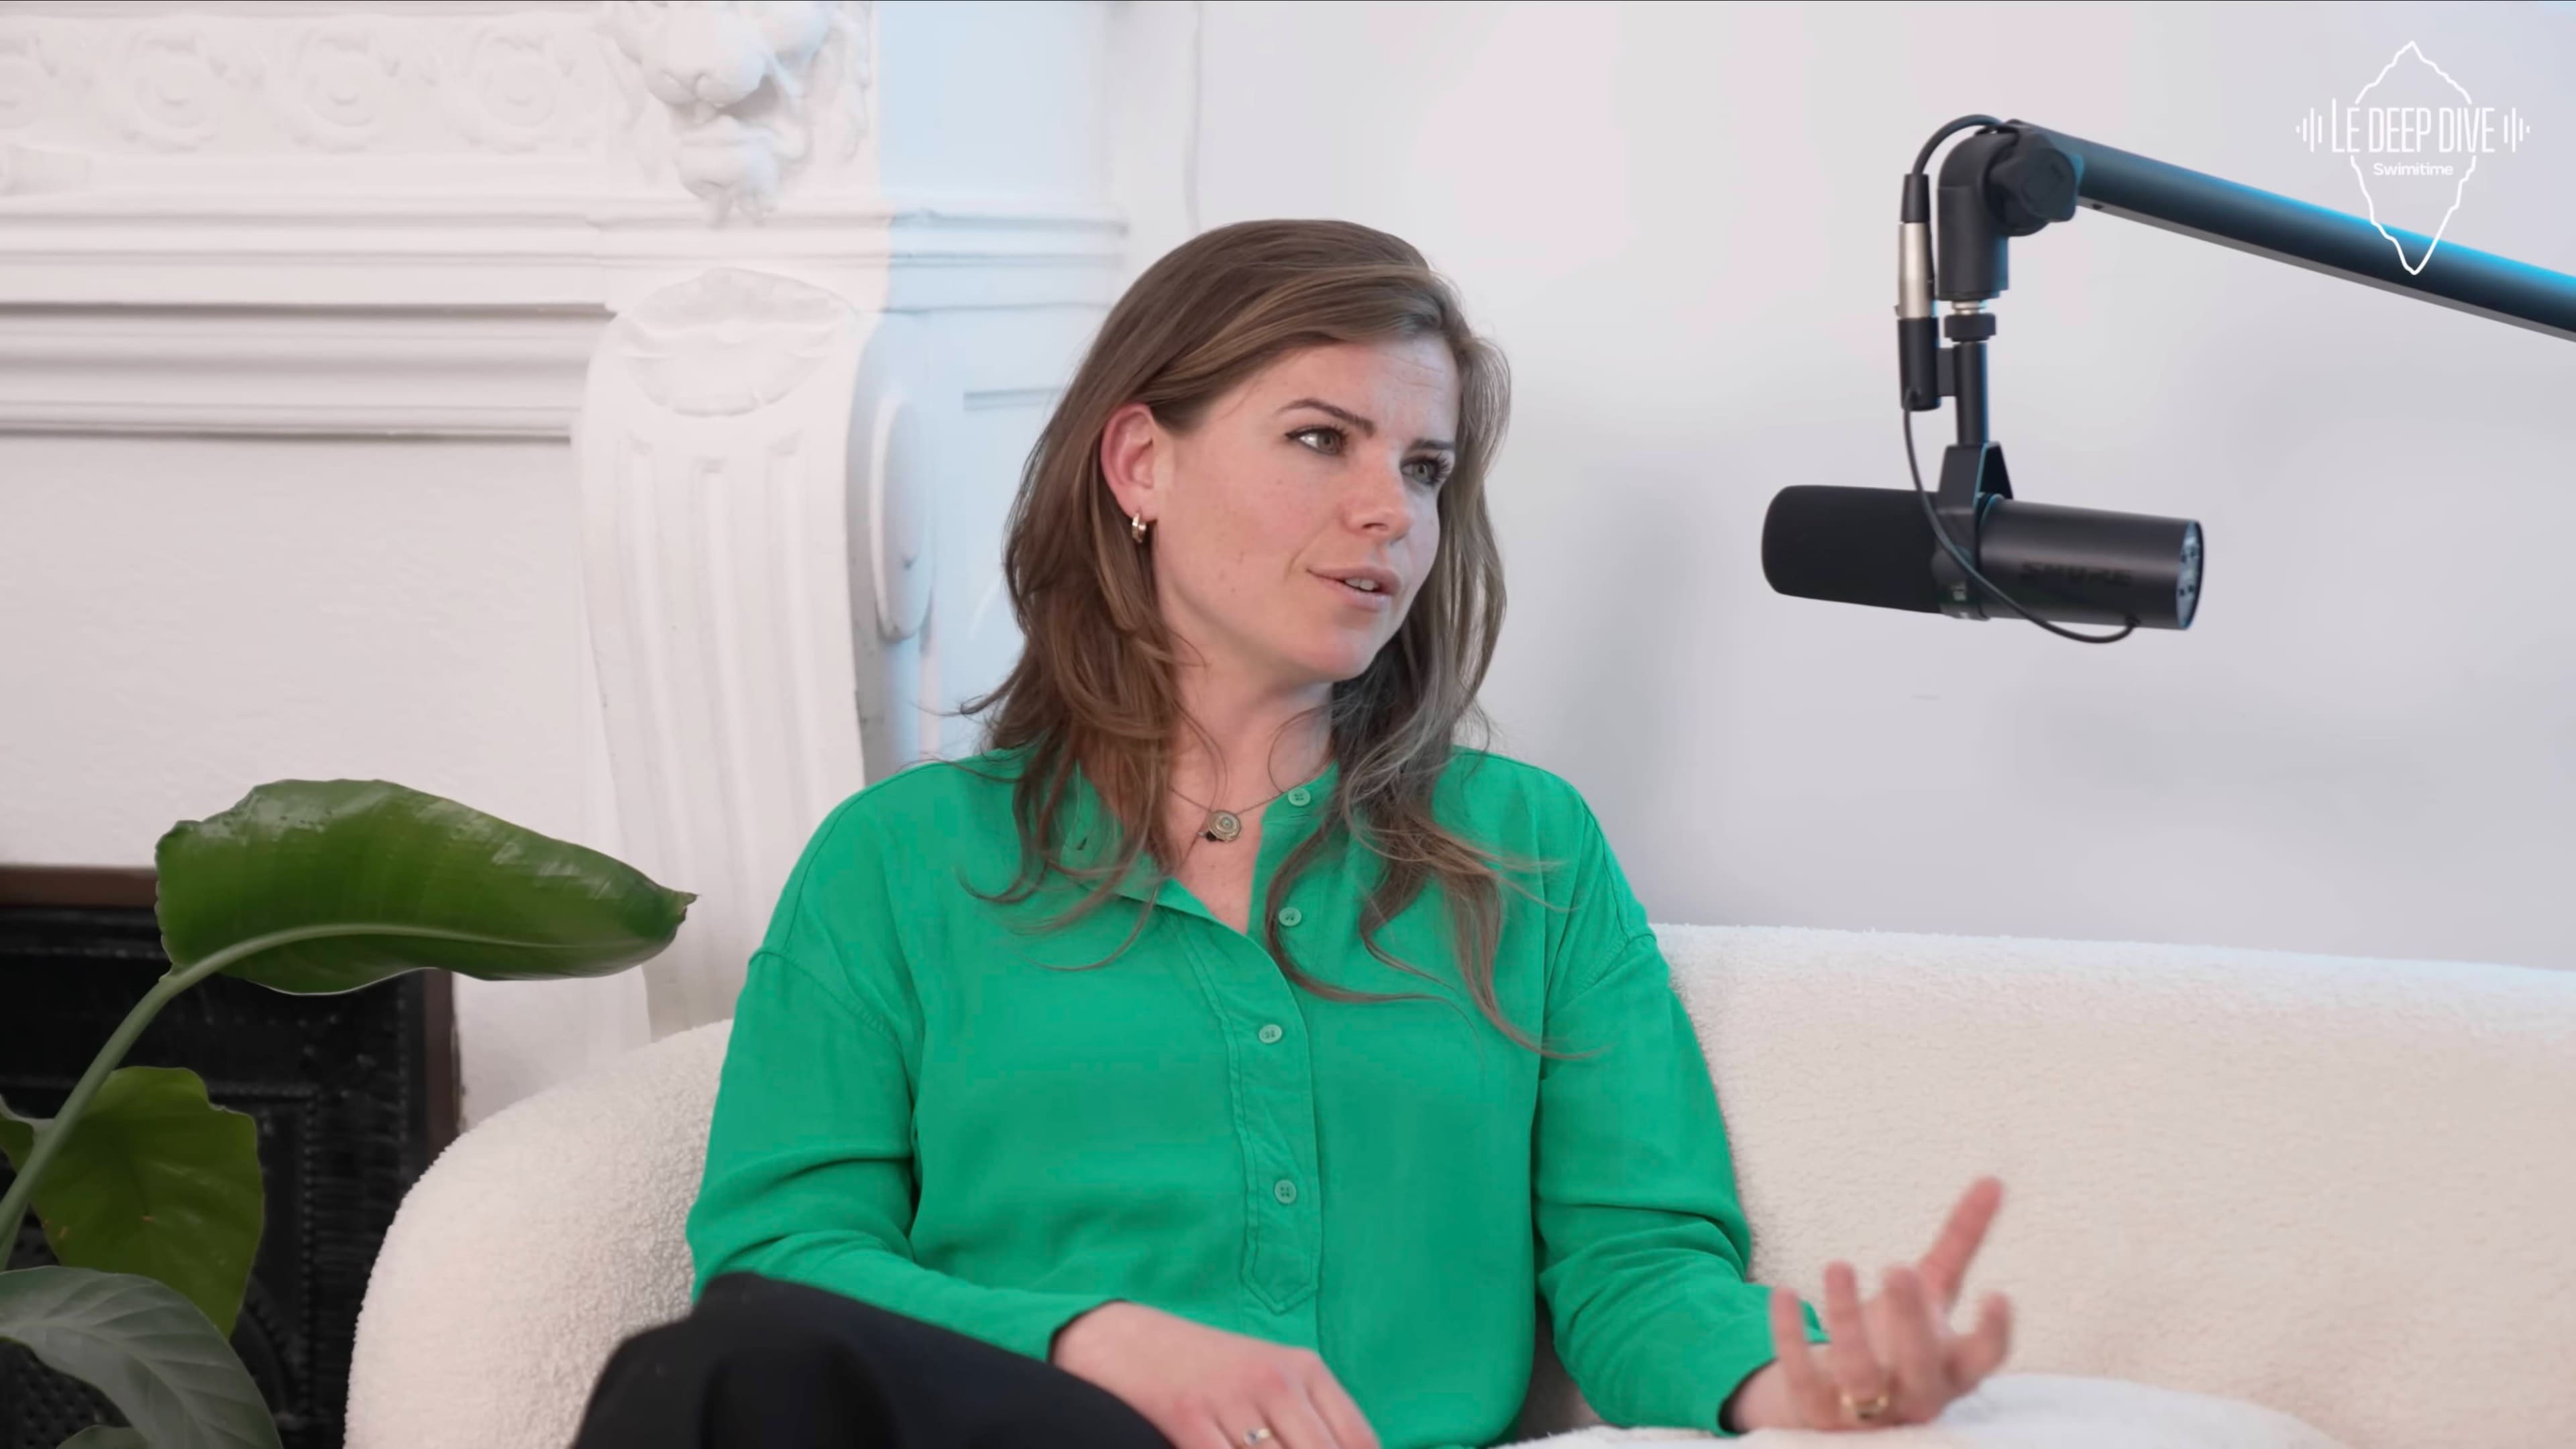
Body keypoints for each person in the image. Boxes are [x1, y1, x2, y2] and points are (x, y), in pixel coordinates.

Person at [571, 219, 2014, 1449]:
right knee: (713, 1374)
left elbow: (1634, 1262)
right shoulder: (898, 862)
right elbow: (778, 1262)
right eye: (1324, 440)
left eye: (1427, 468)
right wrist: (1100, 1341)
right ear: (1140, 463)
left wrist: (1800, 1381)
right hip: (1026, 1429)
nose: (1389, 511)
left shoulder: (1528, 851)